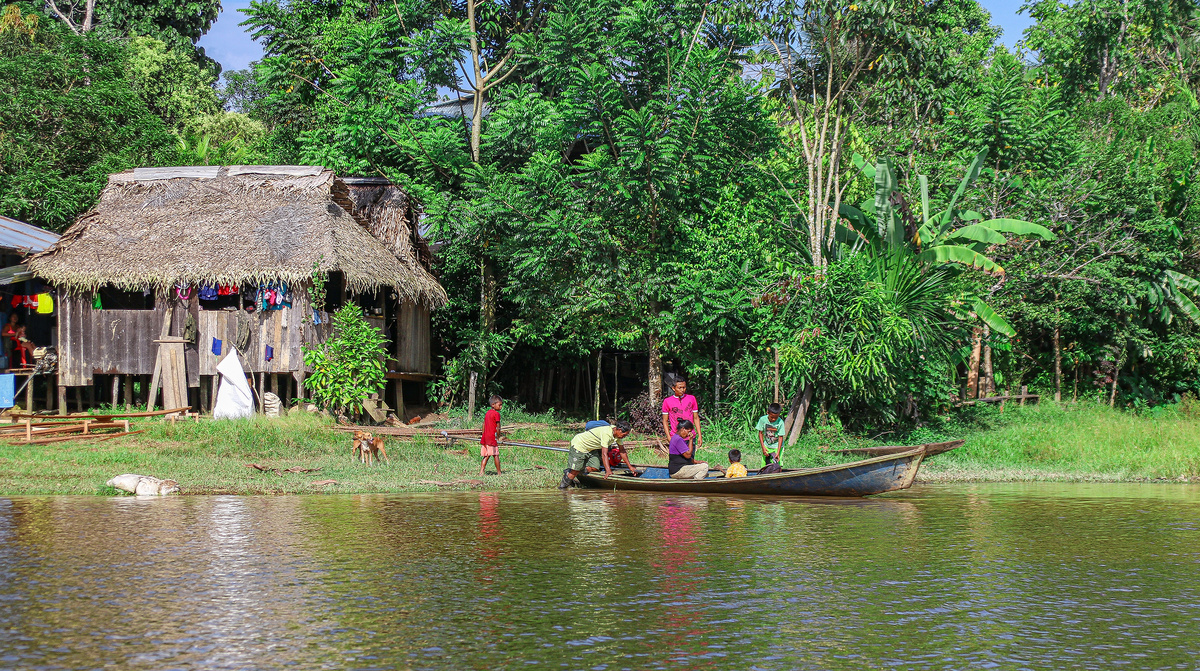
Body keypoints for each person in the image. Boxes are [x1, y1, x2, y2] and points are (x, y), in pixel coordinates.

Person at [560, 420, 632, 488]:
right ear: (619, 430)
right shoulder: (606, 433)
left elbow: (622, 451)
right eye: (624, 434)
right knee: (575, 471)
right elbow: (604, 454)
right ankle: (563, 488)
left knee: (595, 468)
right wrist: (608, 471)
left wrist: (630, 467)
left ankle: (571, 471)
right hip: (580, 445)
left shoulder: (617, 435)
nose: (624, 436)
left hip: (591, 449)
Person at [661, 378, 701, 451]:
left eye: (684, 387)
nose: (682, 390)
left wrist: (699, 435)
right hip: (676, 437)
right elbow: (665, 420)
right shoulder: (667, 401)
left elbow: (696, 418)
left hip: (690, 436)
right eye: (679, 388)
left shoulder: (691, 399)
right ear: (673, 388)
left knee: (690, 459)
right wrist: (669, 437)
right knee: (678, 460)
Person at [479, 395, 503, 476]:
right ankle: (499, 473)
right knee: (495, 455)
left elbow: (483, 425)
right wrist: (498, 436)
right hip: (492, 437)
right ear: (493, 405)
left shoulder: (487, 413)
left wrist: (483, 434)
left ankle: (481, 471)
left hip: (486, 437)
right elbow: (498, 427)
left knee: (486, 455)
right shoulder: (496, 414)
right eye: (499, 405)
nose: (501, 407)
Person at [756, 402, 786, 468]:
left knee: (776, 465)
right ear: (768, 413)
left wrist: (778, 452)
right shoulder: (762, 420)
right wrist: (763, 447)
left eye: (776, 418)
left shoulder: (780, 422)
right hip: (767, 445)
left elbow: (780, 437)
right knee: (764, 464)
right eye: (772, 417)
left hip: (777, 446)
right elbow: (760, 433)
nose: (773, 419)